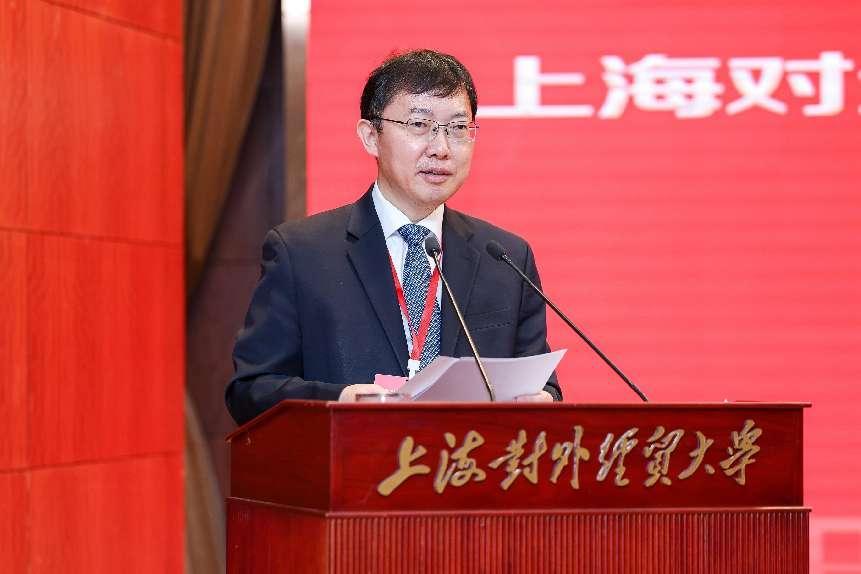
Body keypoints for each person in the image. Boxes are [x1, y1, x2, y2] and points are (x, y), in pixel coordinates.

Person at [226, 49, 561, 426]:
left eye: (457, 128)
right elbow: (250, 390)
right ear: (371, 136)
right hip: (352, 457)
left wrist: (543, 399)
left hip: (469, 460)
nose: (441, 148)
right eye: (419, 124)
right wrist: (340, 400)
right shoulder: (301, 253)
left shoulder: (505, 258)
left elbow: (543, 385)